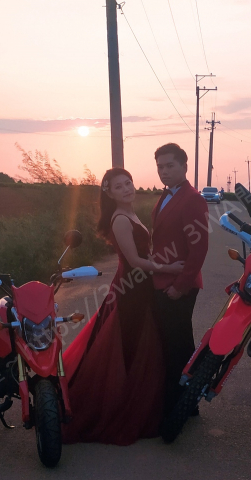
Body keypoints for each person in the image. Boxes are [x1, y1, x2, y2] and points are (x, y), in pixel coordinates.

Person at [60, 168, 184, 445]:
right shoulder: (120, 219)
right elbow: (135, 261)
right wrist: (170, 268)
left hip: (138, 285)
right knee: (129, 346)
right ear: (110, 194)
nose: (127, 188)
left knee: (139, 345)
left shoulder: (130, 213)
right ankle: (119, 407)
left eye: (128, 183)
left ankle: (138, 402)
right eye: (119, 186)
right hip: (131, 289)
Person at [149, 143, 210, 418]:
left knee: (179, 345)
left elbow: (199, 248)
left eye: (169, 166)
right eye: (160, 167)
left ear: (184, 166)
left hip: (178, 285)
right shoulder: (166, 195)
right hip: (162, 280)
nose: (164, 171)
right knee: (171, 343)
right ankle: (183, 401)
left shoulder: (192, 199)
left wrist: (180, 286)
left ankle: (183, 403)